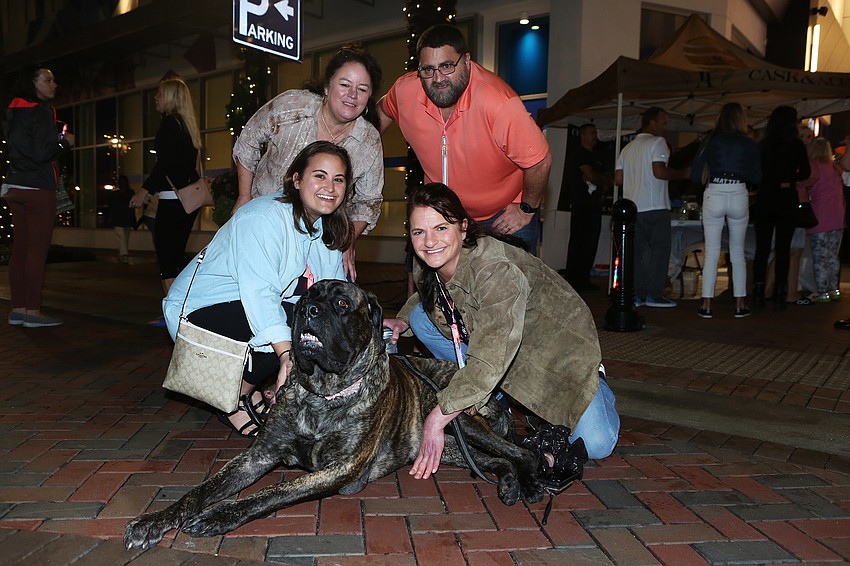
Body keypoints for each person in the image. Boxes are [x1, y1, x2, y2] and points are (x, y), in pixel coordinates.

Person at [383, 183, 619, 480]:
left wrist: (437, 418)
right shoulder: (429, 261)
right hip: (500, 345)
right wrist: (403, 321)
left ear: (463, 227)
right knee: (420, 318)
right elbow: (429, 296)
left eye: (441, 228)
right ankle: (492, 397)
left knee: (597, 444)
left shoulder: (496, 270)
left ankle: (595, 382)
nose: (430, 241)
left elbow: (489, 358)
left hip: (554, 354)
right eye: (419, 232)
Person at [163, 141, 352, 436]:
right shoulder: (263, 217)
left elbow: (333, 296)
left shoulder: (325, 229)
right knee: (292, 320)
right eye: (320, 175)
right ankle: (232, 399)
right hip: (197, 313)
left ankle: (251, 390)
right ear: (296, 179)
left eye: (338, 179)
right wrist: (287, 356)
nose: (329, 186)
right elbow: (259, 295)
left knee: (314, 317)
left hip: (244, 309)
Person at [376, 24, 552, 255]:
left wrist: (526, 209)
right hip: (444, 213)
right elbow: (381, 112)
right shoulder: (406, 91)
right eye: (428, 70)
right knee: (438, 287)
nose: (438, 78)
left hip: (504, 217)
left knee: (514, 288)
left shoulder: (498, 103)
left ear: (467, 61)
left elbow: (540, 161)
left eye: (447, 66)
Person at [232, 46, 384, 280]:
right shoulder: (291, 106)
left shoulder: (368, 140)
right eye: (344, 85)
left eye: (362, 89)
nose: (352, 95)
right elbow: (248, 142)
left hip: (322, 236)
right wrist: (244, 196)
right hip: (263, 222)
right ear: (326, 87)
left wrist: (347, 241)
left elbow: (369, 200)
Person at [3, 64, 75, 328]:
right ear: (32, 83)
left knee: (20, 250)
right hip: (38, 188)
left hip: (15, 186)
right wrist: (65, 142)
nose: (53, 84)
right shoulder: (42, 111)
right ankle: (32, 312)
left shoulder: (13, 111)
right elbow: (44, 153)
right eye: (48, 79)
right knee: (36, 251)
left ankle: (18, 309)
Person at [129, 78, 202, 299]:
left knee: (166, 256)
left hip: (172, 199)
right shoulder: (187, 126)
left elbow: (165, 164)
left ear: (170, 97)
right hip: (187, 200)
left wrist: (145, 190)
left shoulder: (170, 123)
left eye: (159, 93)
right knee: (176, 254)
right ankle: (193, 297)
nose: (155, 97)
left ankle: (172, 311)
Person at [689, 103, 761, 319]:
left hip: (715, 192)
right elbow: (757, 177)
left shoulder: (709, 140)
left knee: (711, 251)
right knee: (738, 253)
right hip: (738, 193)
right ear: (741, 119)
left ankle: (706, 305)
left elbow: (694, 175)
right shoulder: (749, 143)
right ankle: (740, 304)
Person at [614, 107, 690, 308]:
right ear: (652, 123)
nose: (665, 127)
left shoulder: (627, 148)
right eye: (663, 123)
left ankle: (636, 294)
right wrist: (682, 173)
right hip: (655, 206)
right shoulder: (658, 143)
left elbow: (618, 179)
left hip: (632, 208)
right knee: (659, 250)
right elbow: (659, 172)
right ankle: (654, 294)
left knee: (636, 253)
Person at [752, 106, 810, 309]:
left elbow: (755, 174)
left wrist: (770, 180)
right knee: (783, 248)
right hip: (787, 196)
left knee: (762, 247)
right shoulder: (796, 145)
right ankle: (780, 291)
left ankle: (758, 291)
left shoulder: (763, 145)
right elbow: (805, 172)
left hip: (766, 196)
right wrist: (788, 178)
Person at [564, 124, 610, 291]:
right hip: (582, 205)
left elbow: (605, 179)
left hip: (594, 205)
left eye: (595, 132)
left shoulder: (597, 156)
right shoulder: (580, 154)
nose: (595, 136)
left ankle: (584, 278)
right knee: (579, 242)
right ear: (582, 135)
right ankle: (573, 279)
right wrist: (597, 178)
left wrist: (599, 178)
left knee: (591, 243)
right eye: (592, 133)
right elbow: (593, 177)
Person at [799, 137, 845, 303]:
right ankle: (835, 289)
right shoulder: (835, 167)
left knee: (820, 256)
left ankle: (822, 291)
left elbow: (805, 184)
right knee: (833, 255)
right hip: (838, 216)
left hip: (820, 216)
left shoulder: (813, 166)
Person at [107, 175, 136, 264]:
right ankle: (123, 254)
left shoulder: (115, 194)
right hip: (127, 219)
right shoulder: (130, 193)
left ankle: (123, 254)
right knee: (124, 238)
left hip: (118, 218)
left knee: (122, 238)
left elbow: (110, 204)